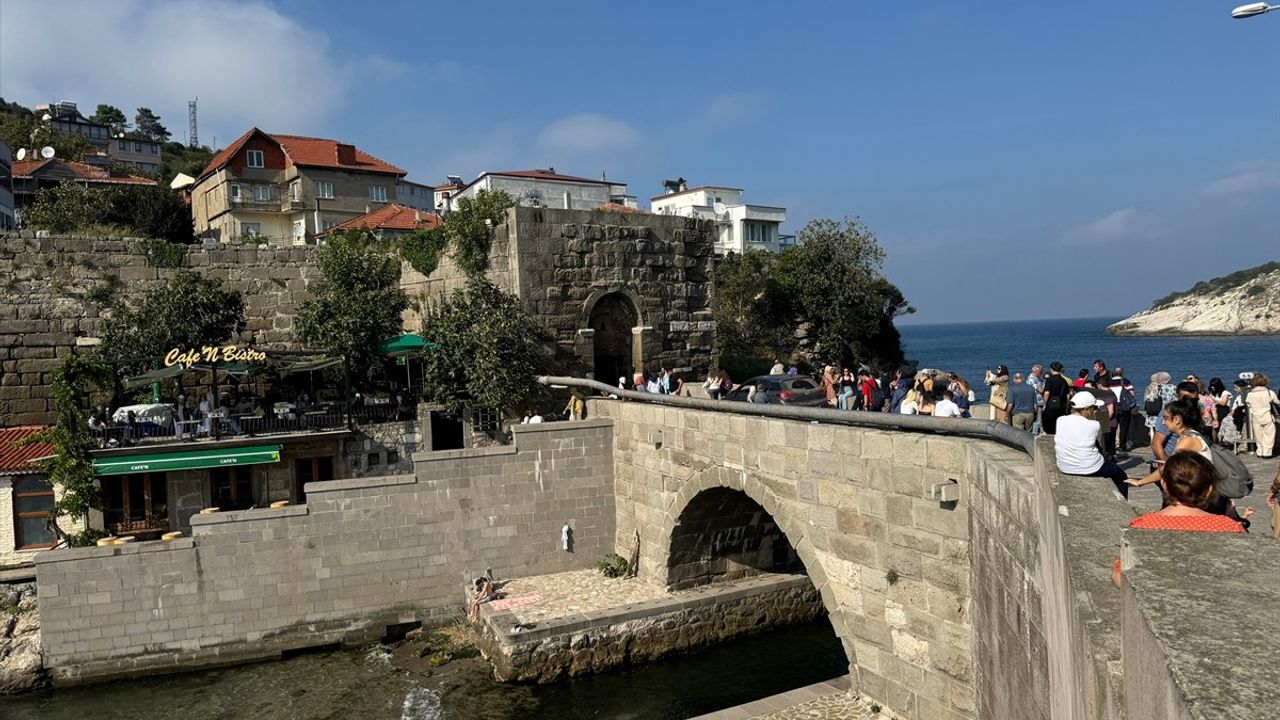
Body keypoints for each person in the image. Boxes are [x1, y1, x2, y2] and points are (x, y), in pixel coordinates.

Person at [1112, 452, 1246, 588]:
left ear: (1164, 484)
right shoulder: (1229, 527)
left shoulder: (1141, 525)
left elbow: (1120, 578)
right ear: (1209, 490)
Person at [1054, 391, 1130, 499]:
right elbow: (1100, 444)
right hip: (1090, 467)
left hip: (1064, 466)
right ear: (1086, 409)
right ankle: (1123, 503)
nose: (1096, 410)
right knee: (1121, 476)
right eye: (1094, 408)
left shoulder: (1060, 420)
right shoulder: (1094, 425)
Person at [1128, 398, 1211, 490]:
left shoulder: (1187, 440)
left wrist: (1140, 482)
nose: (1163, 422)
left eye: (1165, 418)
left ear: (1177, 419)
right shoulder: (1187, 436)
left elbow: (1168, 468)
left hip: (1201, 489)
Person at [1244, 373, 1278, 458]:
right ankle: (1267, 453)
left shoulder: (1250, 394)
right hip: (1267, 417)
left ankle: (1259, 451)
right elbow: (1277, 402)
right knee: (1269, 436)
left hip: (1256, 417)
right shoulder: (1269, 392)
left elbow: (1248, 404)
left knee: (1258, 436)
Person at [1041, 362, 1072, 435]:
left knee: (1049, 424)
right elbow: (1068, 394)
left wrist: (1045, 404)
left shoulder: (1049, 380)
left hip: (1051, 405)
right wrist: (1067, 404)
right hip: (1061, 405)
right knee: (1059, 424)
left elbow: (1047, 393)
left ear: (1051, 369)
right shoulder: (1063, 380)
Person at [1208, 378, 1232, 444]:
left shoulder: (1225, 393)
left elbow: (1223, 403)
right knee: (1214, 427)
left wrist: (1213, 399)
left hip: (1222, 410)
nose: (1212, 387)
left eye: (1214, 386)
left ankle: (1222, 441)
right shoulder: (1212, 392)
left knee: (1221, 426)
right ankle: (1215, 441)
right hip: (1214, 409)